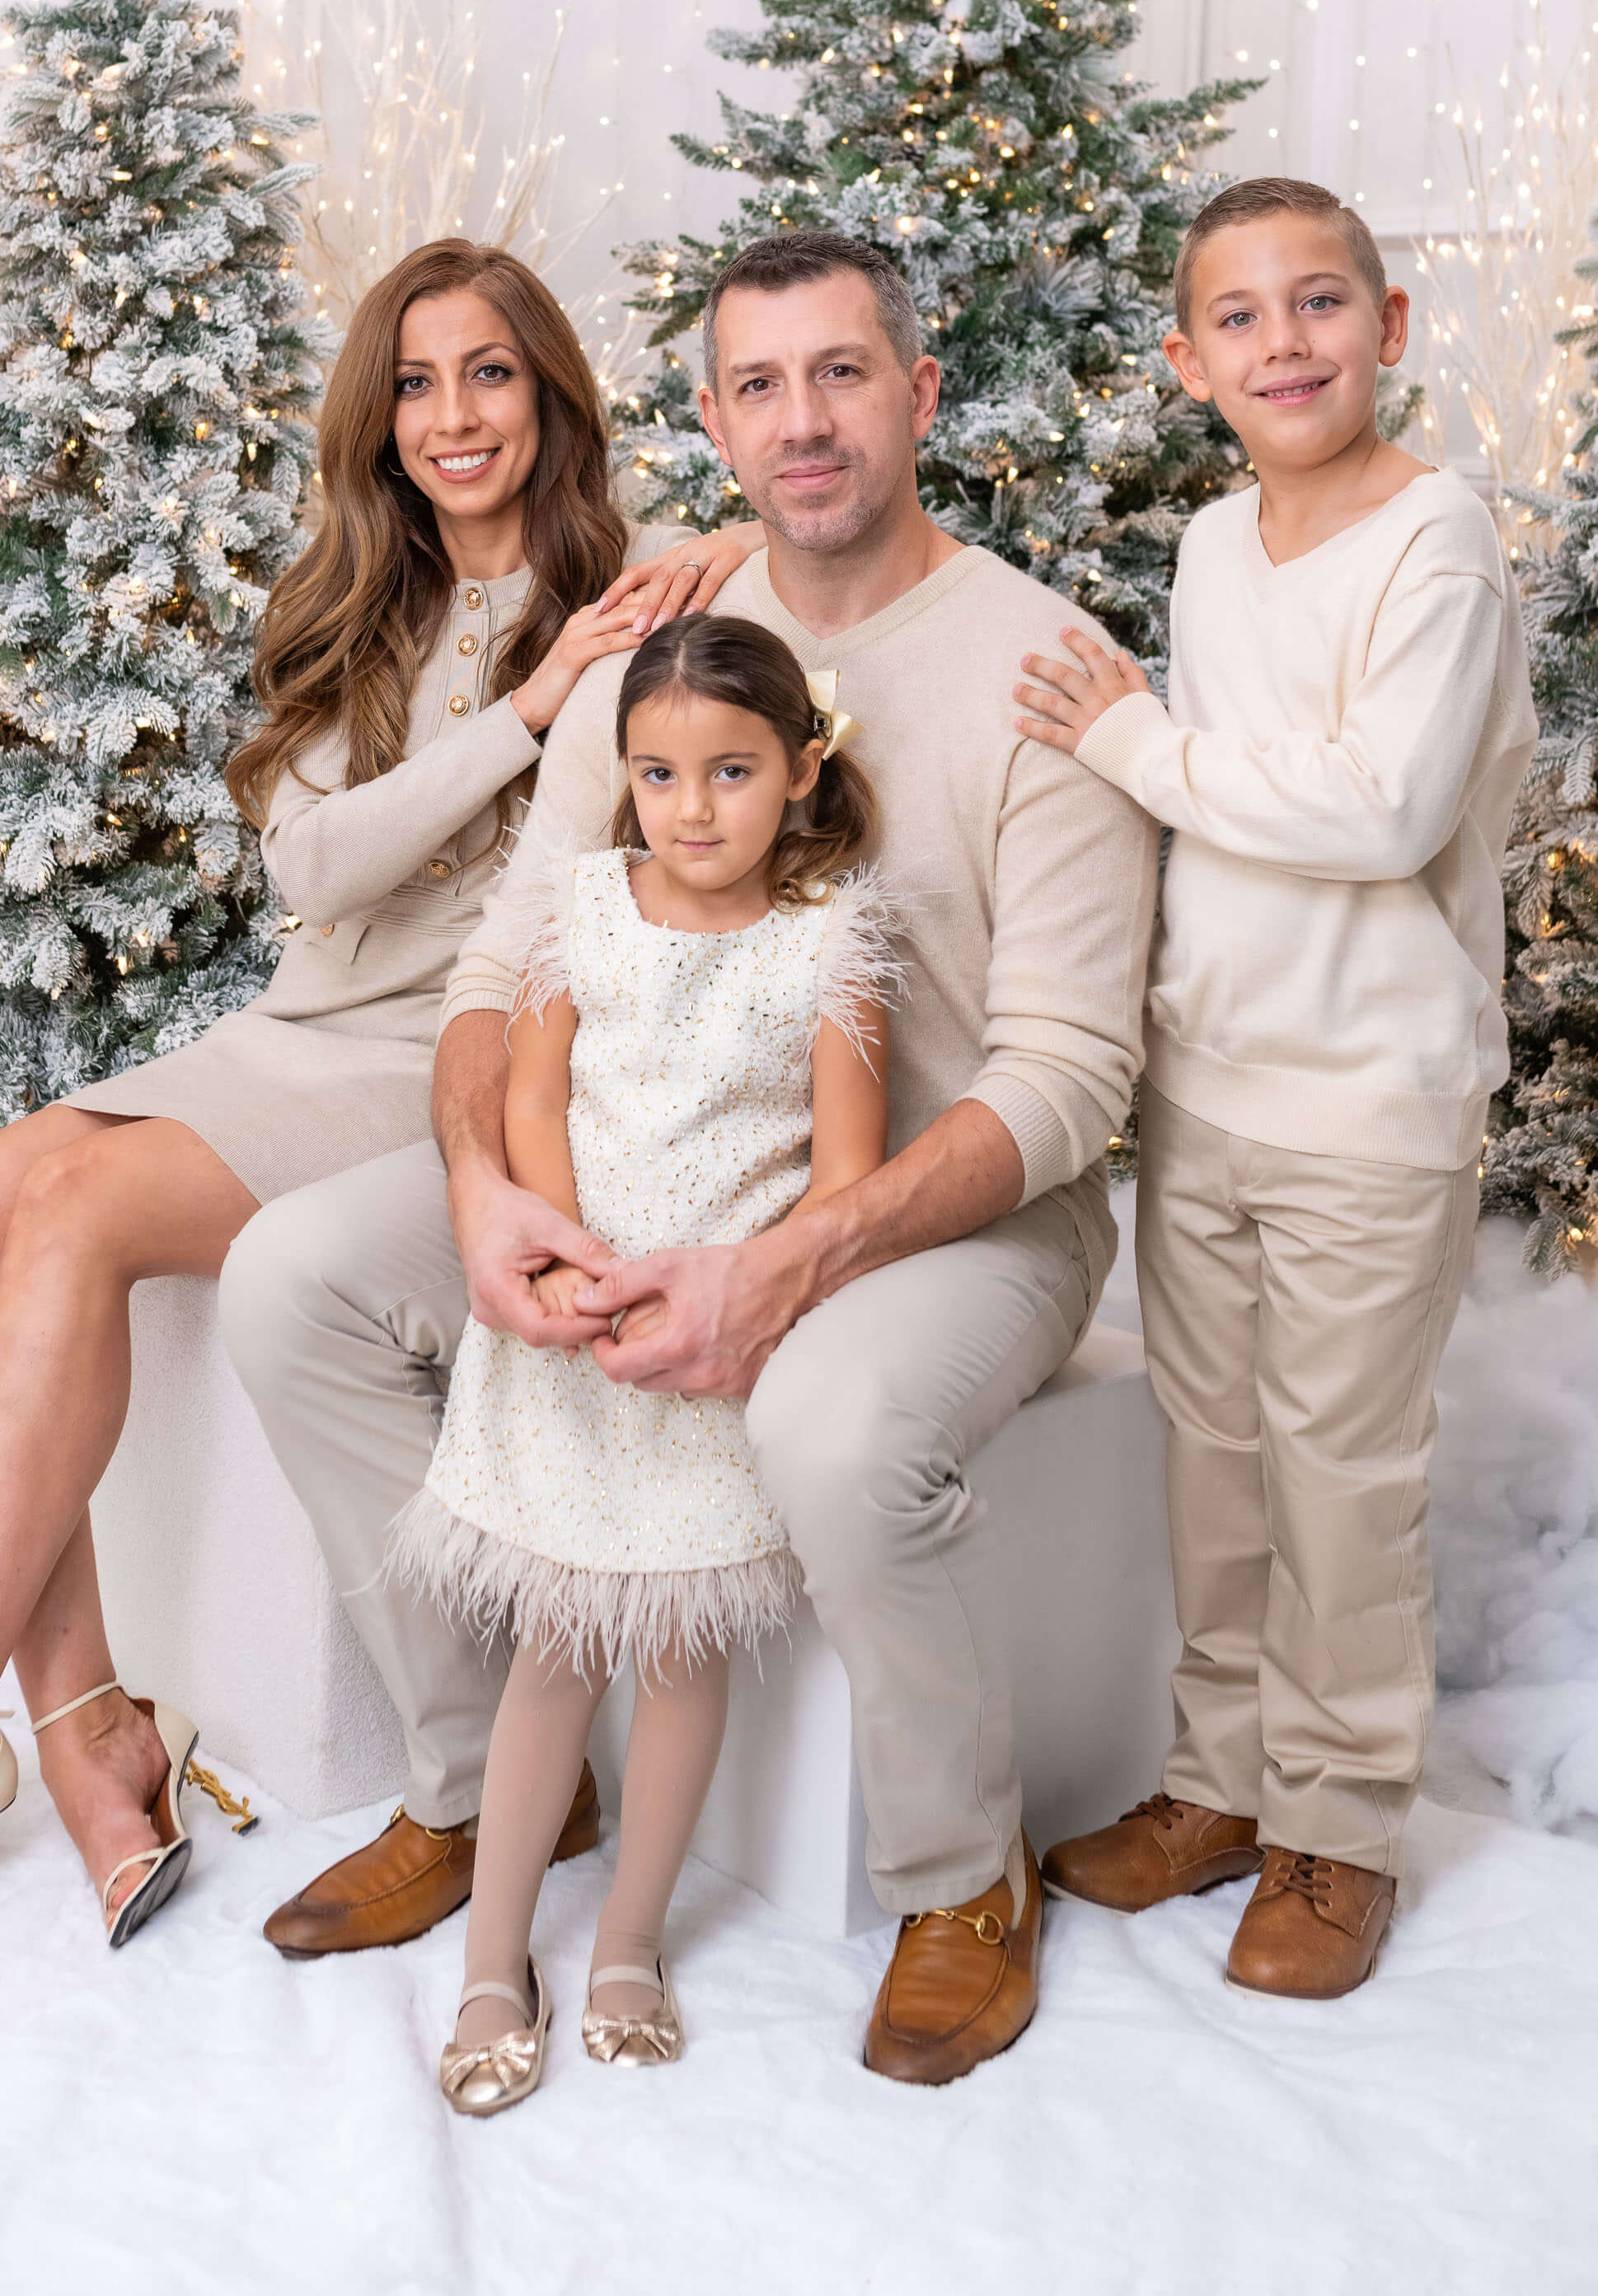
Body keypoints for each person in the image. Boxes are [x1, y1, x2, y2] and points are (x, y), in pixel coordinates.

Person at [0, 238, 757, 1947]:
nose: (450, 414)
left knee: (76, 1216)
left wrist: (652, 611)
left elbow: (771, 642)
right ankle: (89, 1724)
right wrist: (526, 711)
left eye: (488, 372)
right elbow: (320, 872)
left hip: (448, 1061)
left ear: (550, 395)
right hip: (296, 1030)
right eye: (414, 383)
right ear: (380, 418)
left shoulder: (643, 590)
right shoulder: (356, 598)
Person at [220, 225, 1158, 2084]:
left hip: (953, 1209)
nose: (798, 422)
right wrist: (495, 1194)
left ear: (918, 392)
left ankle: (962, 1877)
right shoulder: (671, 631)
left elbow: (1066, 1079)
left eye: (839, 373)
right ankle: (489, 1781)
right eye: (754, 385)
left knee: (826, 1426)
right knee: (295, 1281)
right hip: (635, 1145)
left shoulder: (1041, 660)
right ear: (713, 416)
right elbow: (505, 972)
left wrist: (797, 1261)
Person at [1019, 176, 1535, 2000]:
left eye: (1319, 304)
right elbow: (1231, 814)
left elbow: (1379, 807)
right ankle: (1217, 1783)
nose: (1282, 343)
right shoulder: (1213, 546)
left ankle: (1334, 1832)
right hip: (1209, 1086)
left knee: (1337, 1483)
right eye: (1237, 318)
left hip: (1366, 1103)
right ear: (1186, 363)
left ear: (1387, 329)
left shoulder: (1436, 538)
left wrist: (1129, 742)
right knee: (1216, 1469)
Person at [387, 616, 897, 2113]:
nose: (692, 807)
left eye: (731, 771)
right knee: (550, 1653)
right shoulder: (583, 906)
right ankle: (495, 1955)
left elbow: (842, 1179)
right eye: (660, 773)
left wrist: (721, 1300)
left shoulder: (831, 950)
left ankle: (626, 1940)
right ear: (623, 780)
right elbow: (533, 1099)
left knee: (676, 1653)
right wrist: (574, 1255)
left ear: (802, 771)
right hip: (571, 1331)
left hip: (707, 1356)